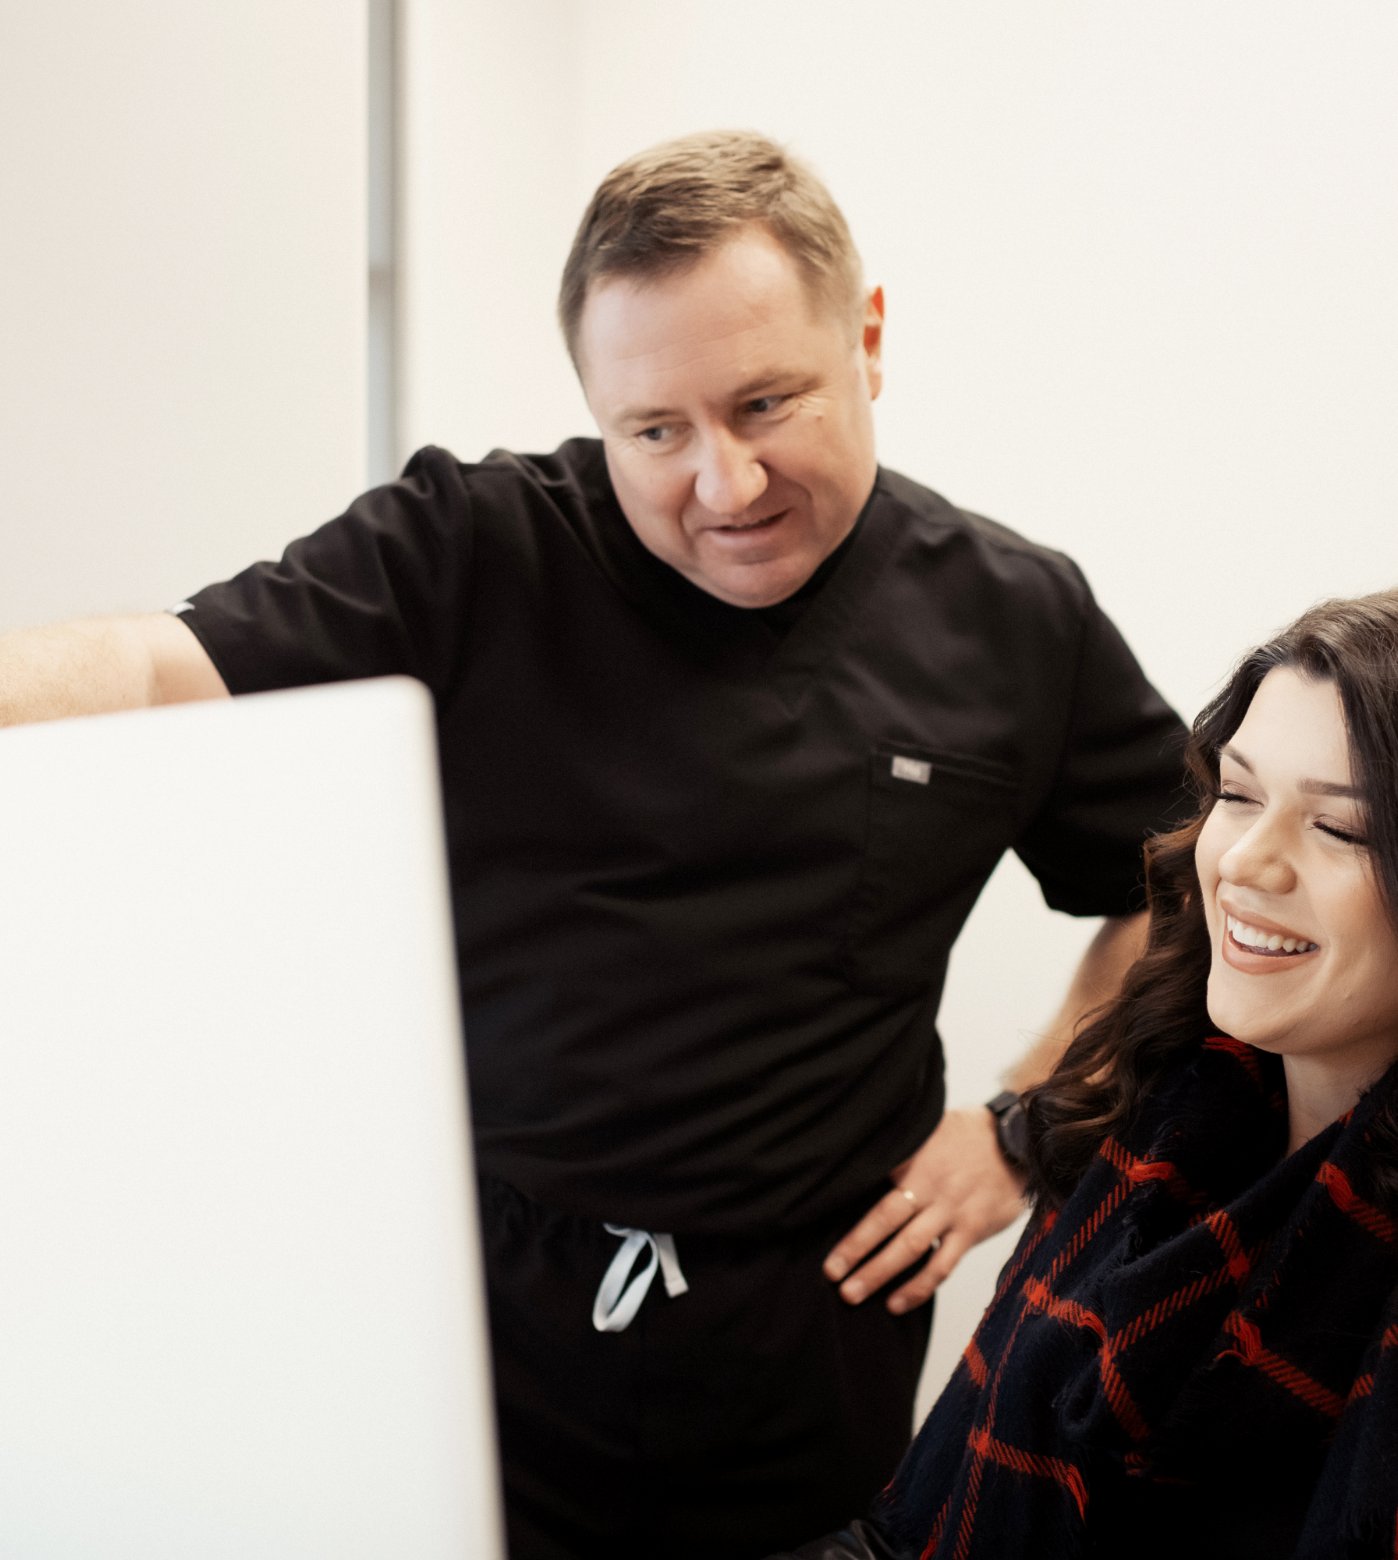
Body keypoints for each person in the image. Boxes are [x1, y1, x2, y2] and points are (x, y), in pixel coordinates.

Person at [0, 131, 1187, 1557]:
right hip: (474, 1325)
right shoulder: (470, 549)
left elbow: (1180, 885)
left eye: (767, 403)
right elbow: (150, 668)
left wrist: (1030, 1120)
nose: (725, 483)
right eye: (656, 432)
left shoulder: (1012, 616)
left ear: (867, 338)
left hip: (802, 1348)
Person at [773, 588, 1398, 1560]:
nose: (1246, 864)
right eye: (1237, 796)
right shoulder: (1157, 1113)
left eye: (1342, 830)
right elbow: (907, 1537)